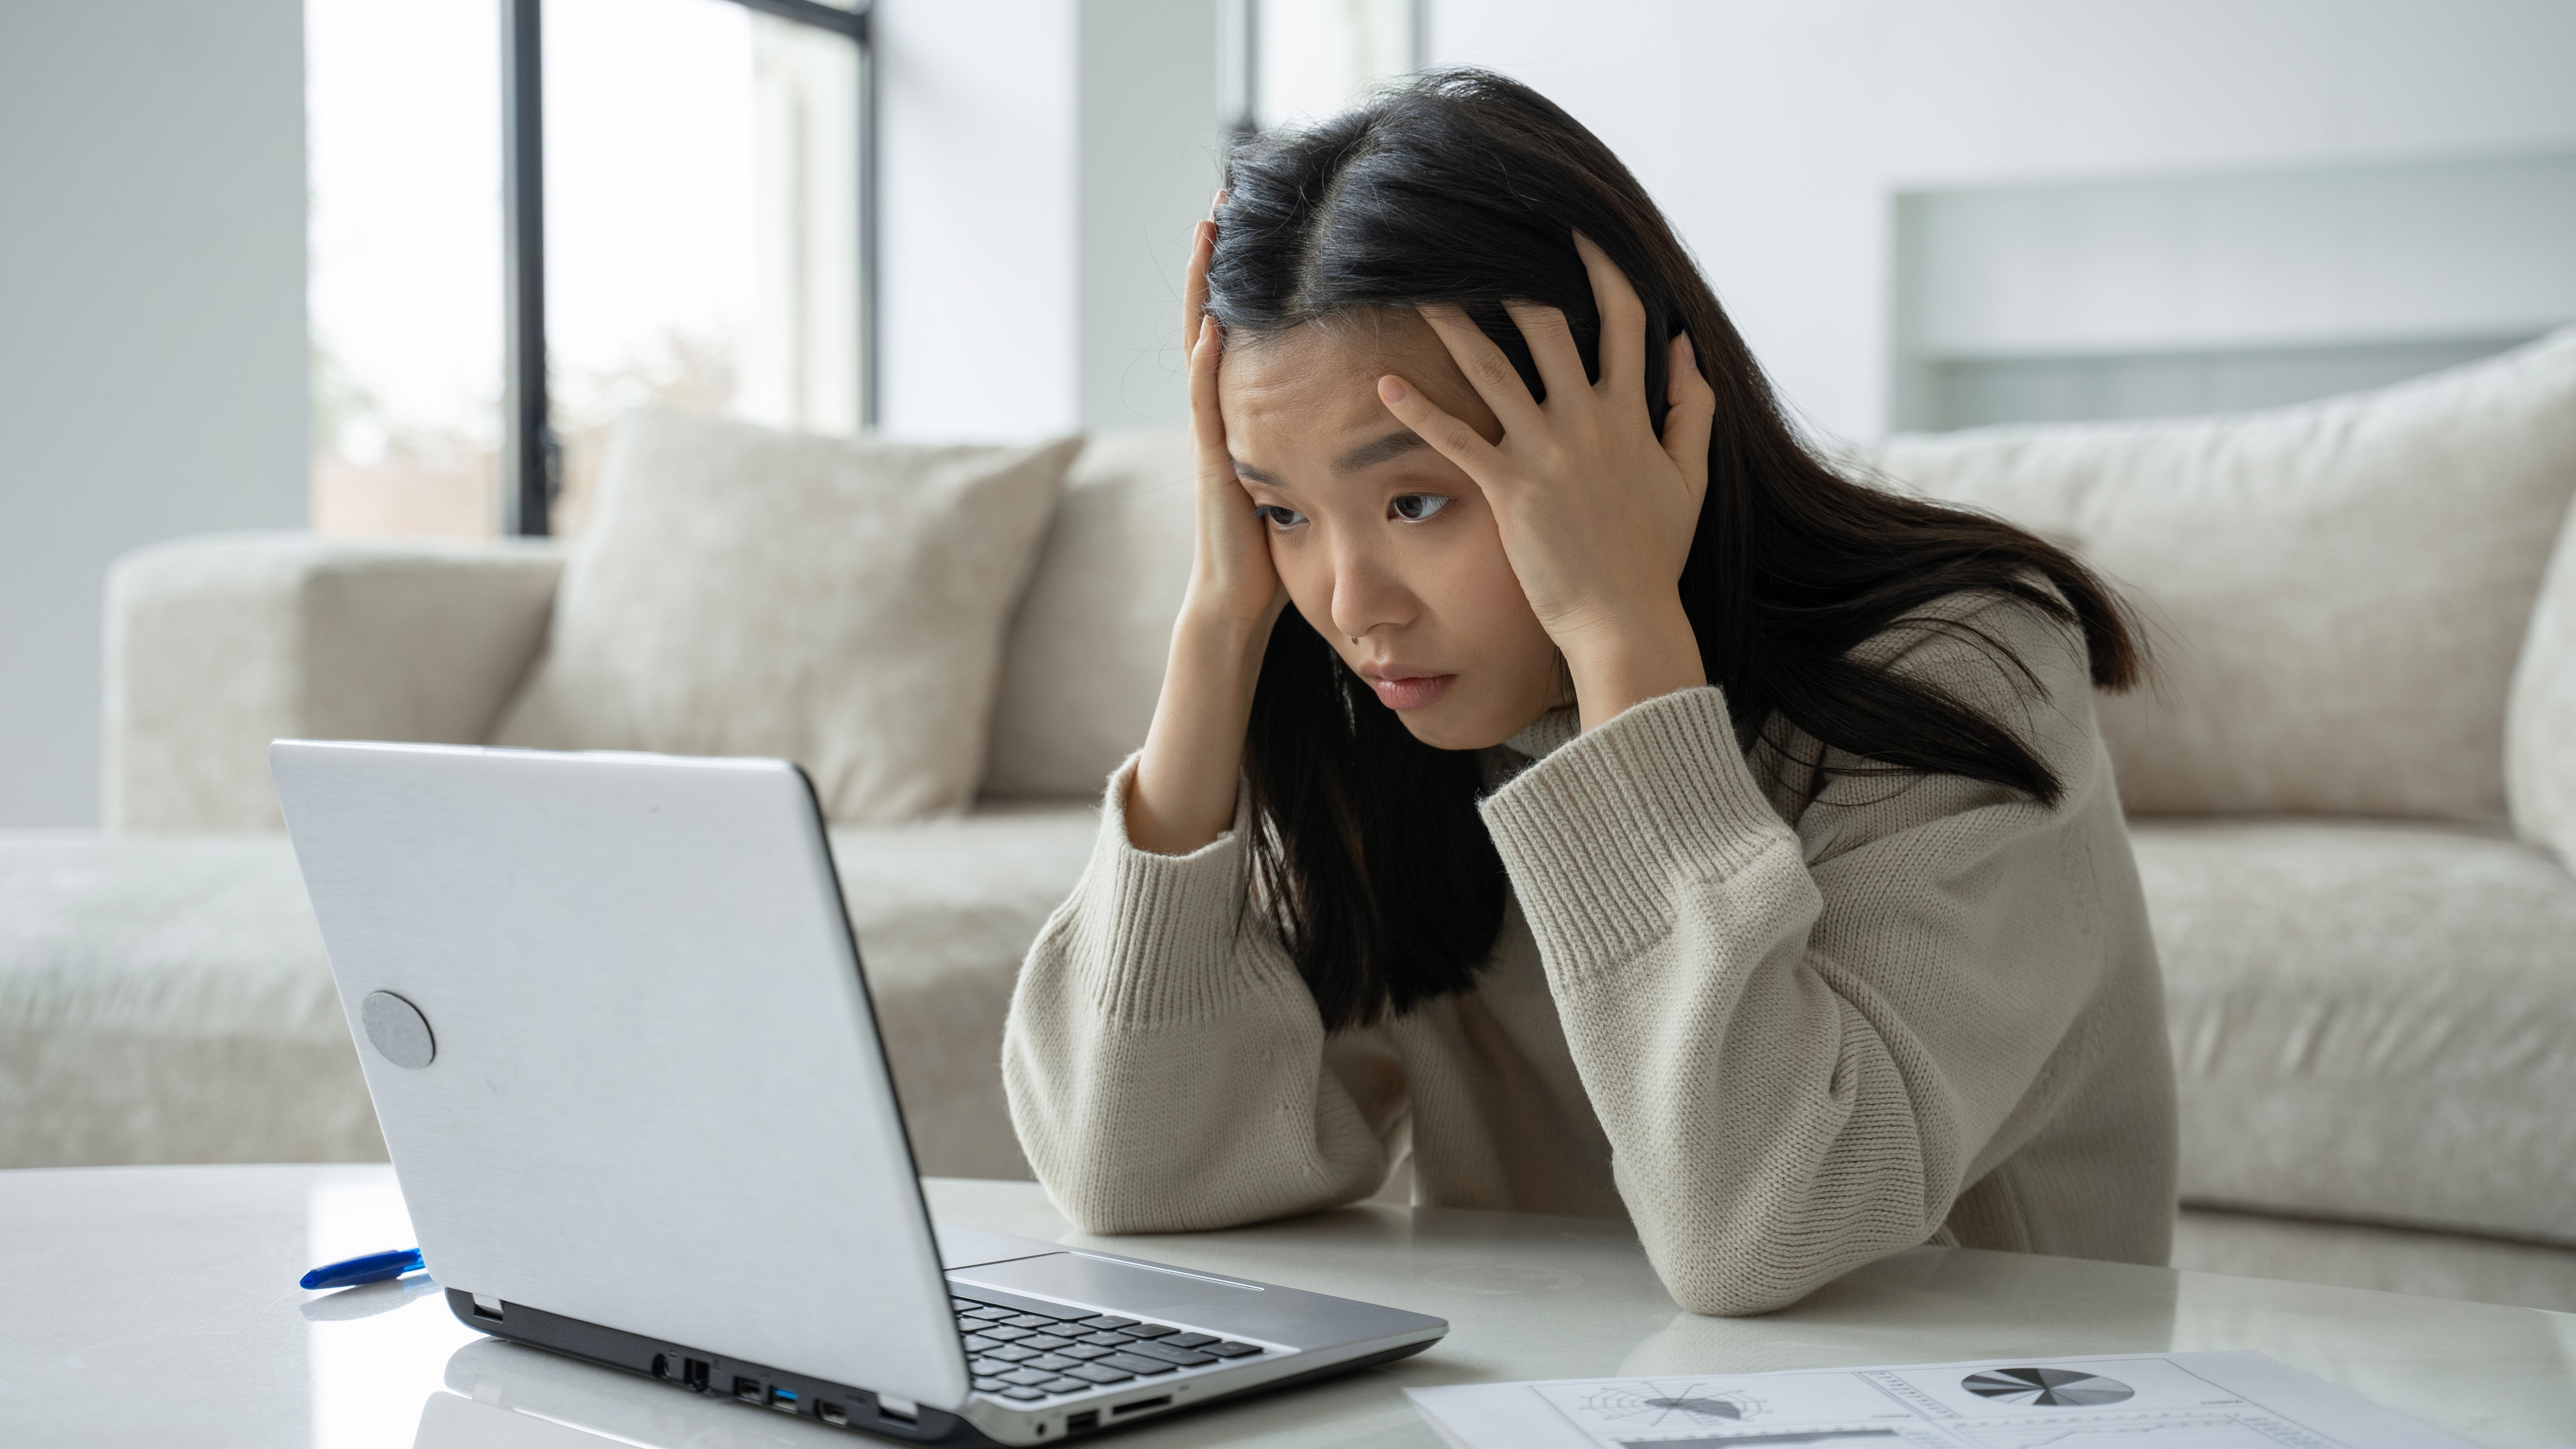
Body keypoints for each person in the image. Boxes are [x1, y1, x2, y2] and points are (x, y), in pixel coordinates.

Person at [1001, 70, 2176, 1317]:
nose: (1354, 605)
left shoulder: (1954, 667)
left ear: (1634, 423)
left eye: (1415, 500)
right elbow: (1133, 1174)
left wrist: (1620, 632)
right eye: (1282, 510)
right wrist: (1217, 625)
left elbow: (1764, 1228)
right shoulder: (1408, 713)